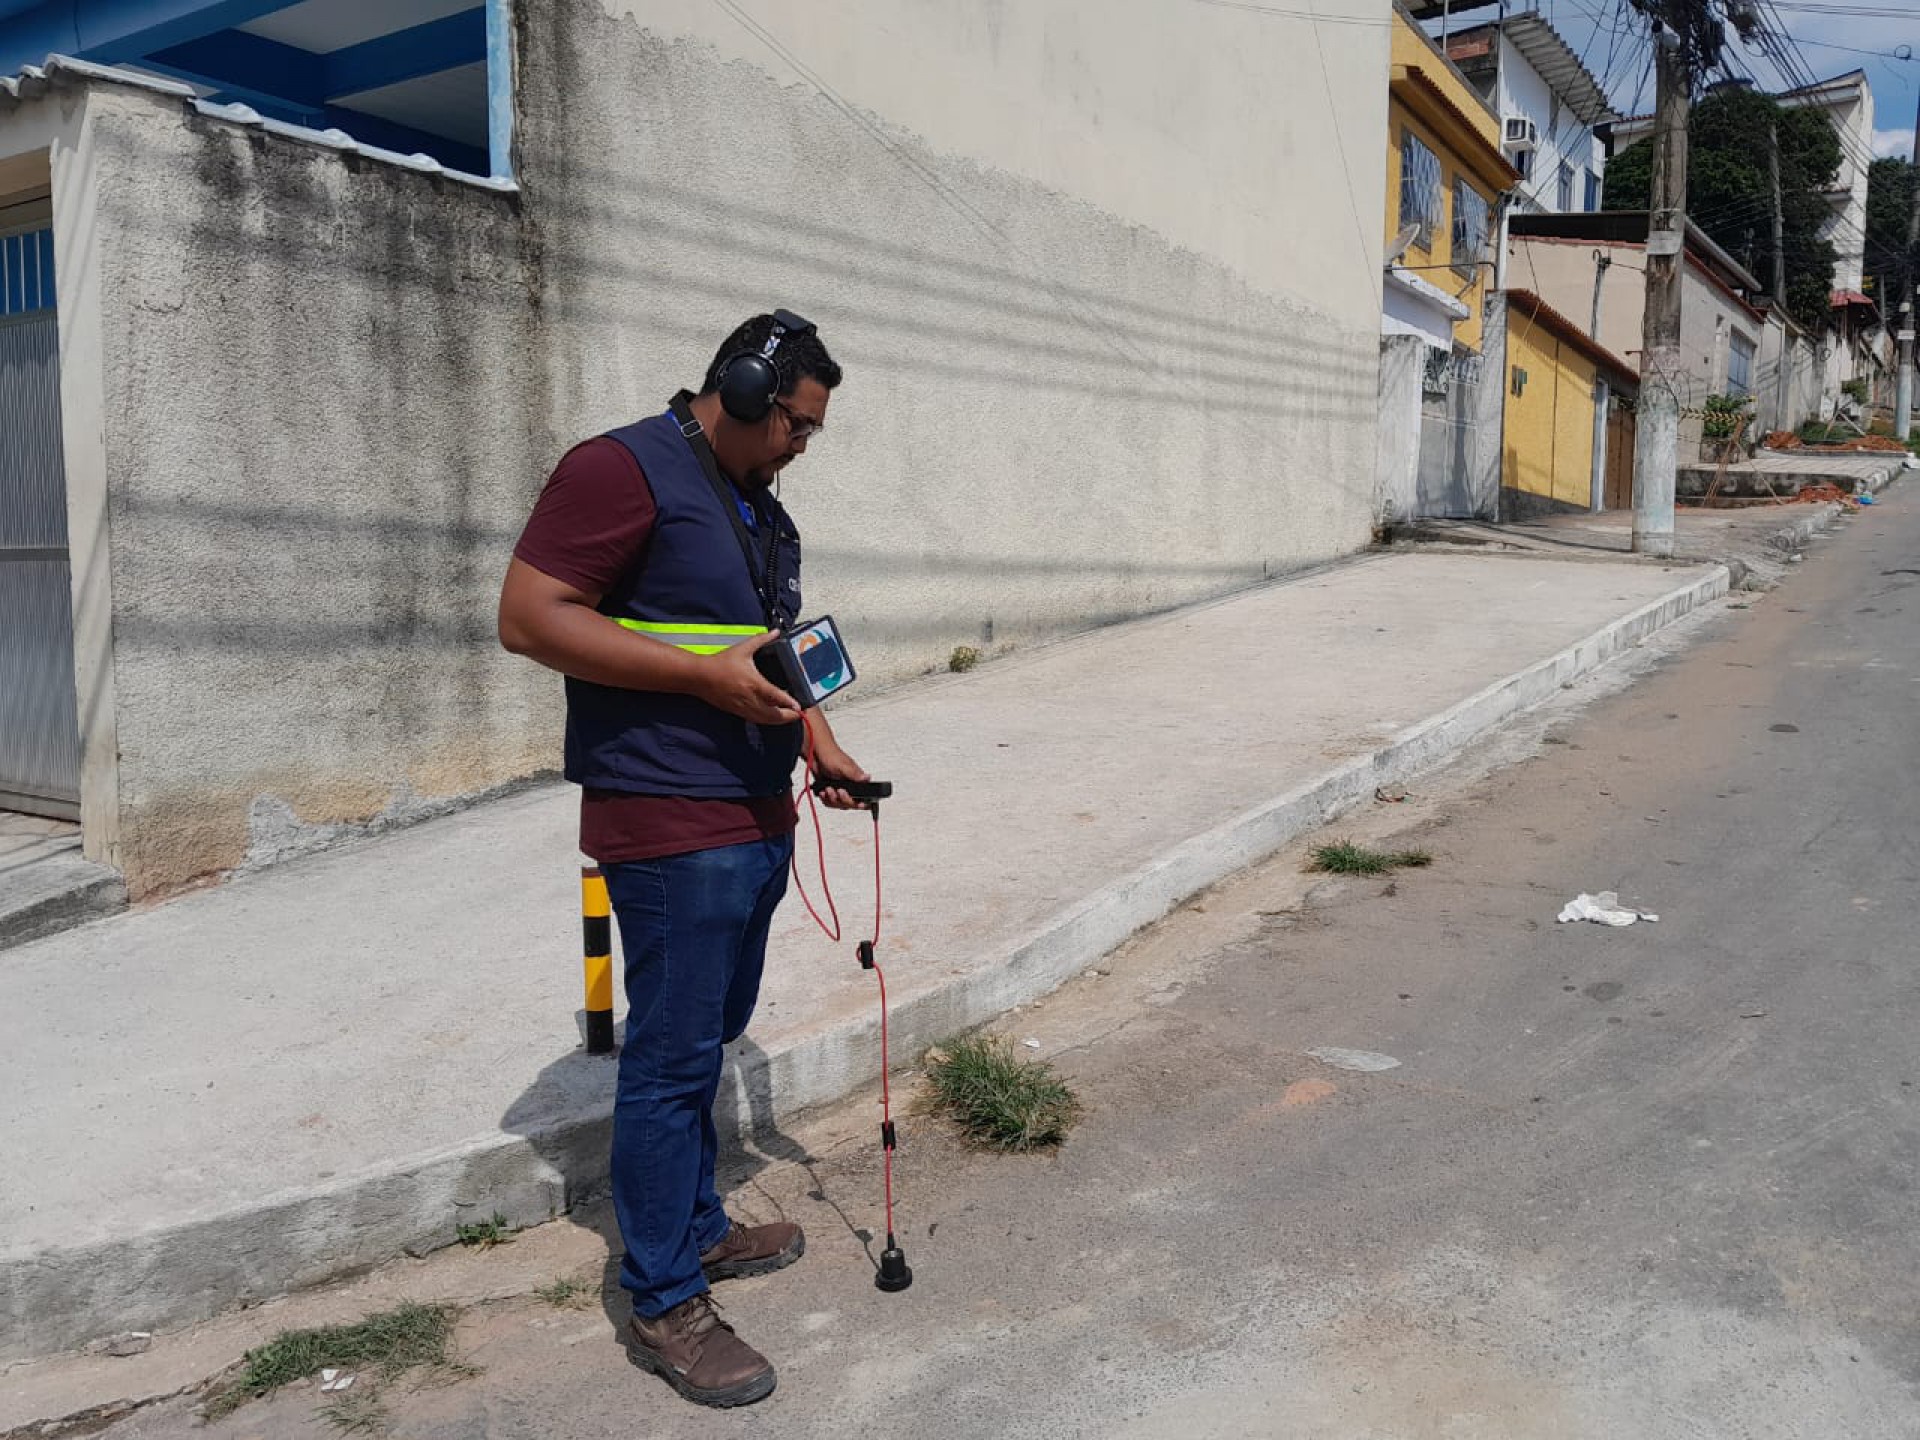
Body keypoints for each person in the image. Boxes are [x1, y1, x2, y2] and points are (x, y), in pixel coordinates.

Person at [498, 311, 868, 1409]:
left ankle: (696, 1229)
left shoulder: (749, 503)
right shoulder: (620, 471)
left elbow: (763, 651)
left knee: (706, 1035)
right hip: (665, 819)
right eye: (797, 424)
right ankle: (664, 1300)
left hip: (755, 812)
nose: (804, 445)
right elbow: (528, 617)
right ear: (745, 393)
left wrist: (821, 741)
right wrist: (699, 684)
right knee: (667, 1064)